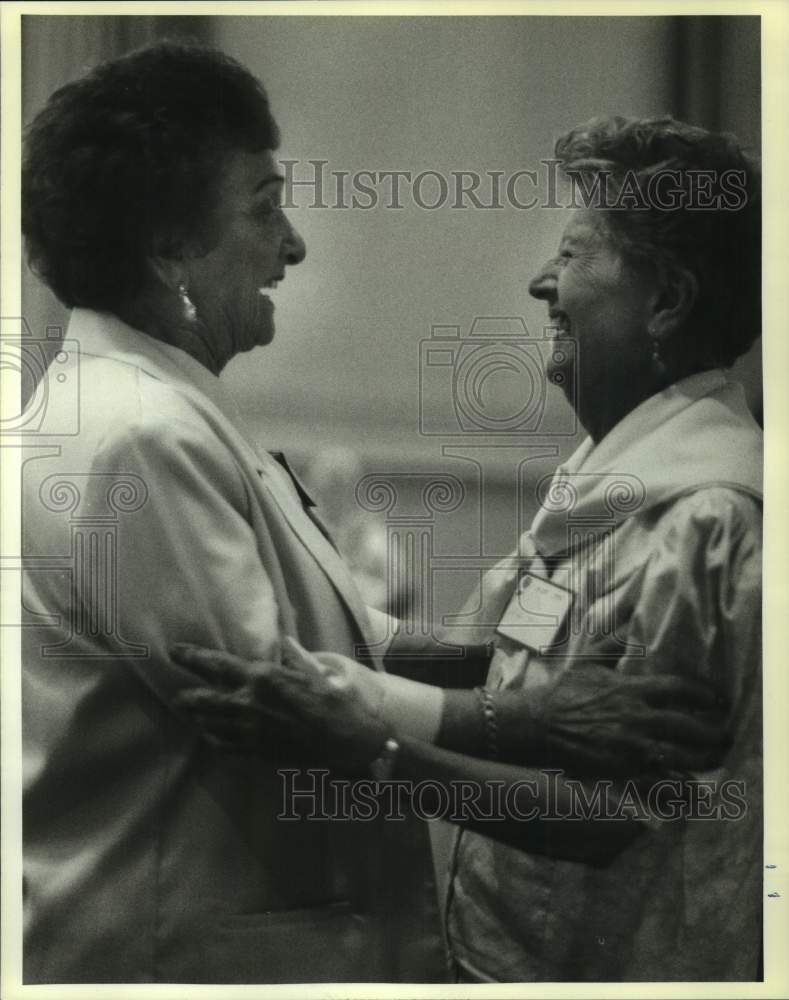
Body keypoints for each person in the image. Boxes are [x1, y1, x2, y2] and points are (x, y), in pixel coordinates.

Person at [20, 45, 719, 985]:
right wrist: (522, 719)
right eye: (265, 209)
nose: (294, 245)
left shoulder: (141, 406)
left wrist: (482, 657)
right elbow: (273, 692)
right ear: (170, 251)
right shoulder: (141, 434)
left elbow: (320, 627)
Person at [174, 116, 763, 982]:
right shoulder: (608, 478)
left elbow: (609, 817)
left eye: (571, 255)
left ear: (665, 302)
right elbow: (499, 665)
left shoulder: (703, 522)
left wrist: (372, 752)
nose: (539, 283)